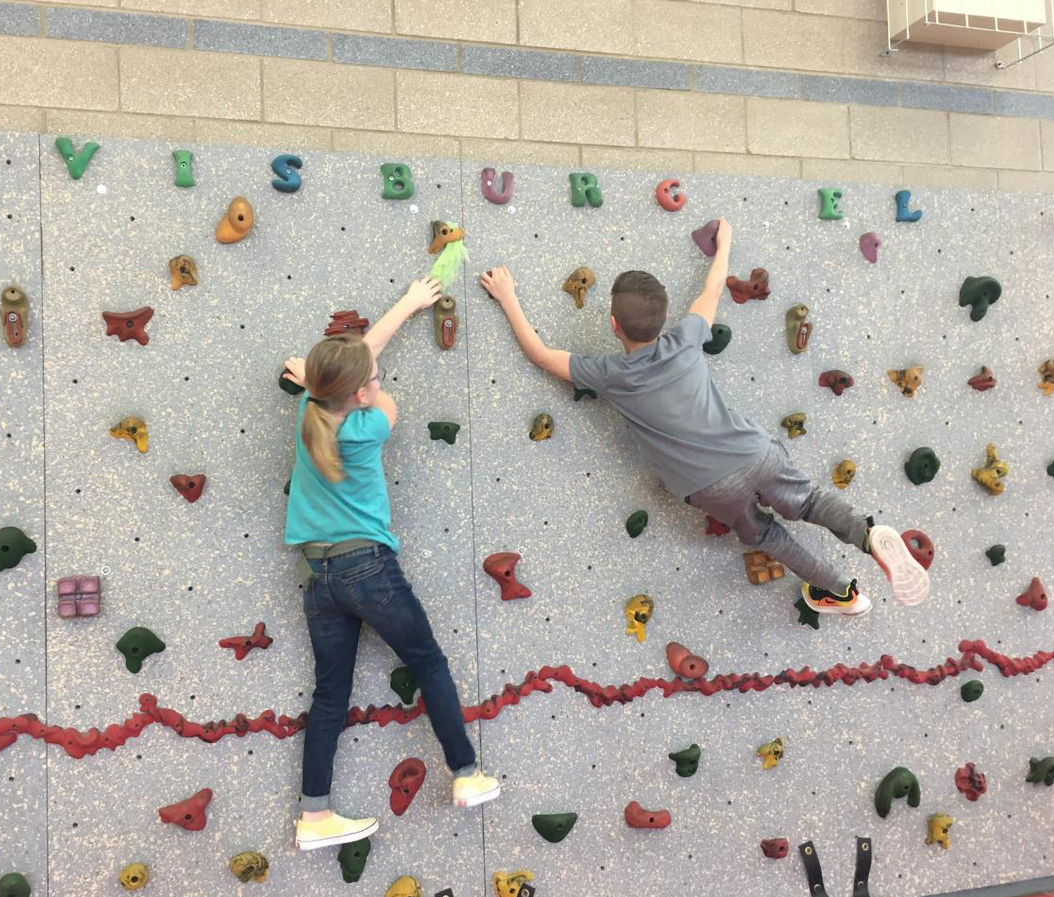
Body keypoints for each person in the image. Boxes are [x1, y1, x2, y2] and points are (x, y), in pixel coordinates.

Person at [476, 221, 929, 615]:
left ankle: (842, 592)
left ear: (614, 326)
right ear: (666, 318)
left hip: (710, 488)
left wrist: (507, 296)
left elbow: (539, 355)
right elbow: (712, 289)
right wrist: (725, 241)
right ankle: (868, 536)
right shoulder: (686, 339)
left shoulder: (609, 374)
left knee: (770, 537)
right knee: (808, 502)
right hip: (754, 452)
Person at [279, 276, 501, 852]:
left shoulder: (310, 408)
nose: (380, 383)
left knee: (330, 694)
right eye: (373, 382)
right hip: (368, 571)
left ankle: (314, 815)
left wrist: (405, 302)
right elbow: (372, 380)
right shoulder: (371, 423)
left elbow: (359, 360)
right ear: (356, 394)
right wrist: (373, 376)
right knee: (428, 662)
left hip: (320, 578)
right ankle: (466, 774)